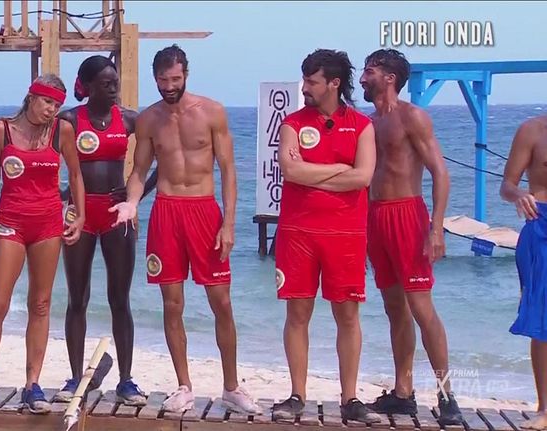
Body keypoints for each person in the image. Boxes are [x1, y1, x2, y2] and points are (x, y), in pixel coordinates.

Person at [110, 44, 260, 415]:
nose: (169, 86)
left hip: (204, 211)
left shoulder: (212, 112)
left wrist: (228, 223)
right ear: (155, 78)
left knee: (221, 302)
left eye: (175, 79)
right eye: (163, 80)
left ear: (186, 75)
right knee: (172, 303)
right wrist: (131, 203)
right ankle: (184, 386)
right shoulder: (149, 119)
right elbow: (139, 171)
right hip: (167, 212)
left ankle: (231, 386)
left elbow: (228, 169)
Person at [0, 75, 85, 414]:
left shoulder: (61, 132)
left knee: (40, 304)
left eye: (57, 105)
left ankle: (32, 384)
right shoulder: (2, 131)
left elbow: (75, 175)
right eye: (47, 102)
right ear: (31, 97)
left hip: (48, 225)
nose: (51, 110)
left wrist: (80, 216)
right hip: (11, 222)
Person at [273, 49, 380, 424]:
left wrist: (314, 172)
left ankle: (350, 398)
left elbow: (363, 177)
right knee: (297, 313)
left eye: (312, 81)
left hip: (346, 233)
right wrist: (338, 168)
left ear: (333, 83)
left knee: (347, 315)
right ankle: (297, 394)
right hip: (298, 231)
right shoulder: (292, 123)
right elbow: (290, 171)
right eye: (305, 80)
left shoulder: (361, 126)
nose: (305, 87)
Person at [358, 49, 463, 425]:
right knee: (394, 308)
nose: (363, 77)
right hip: (376, 216)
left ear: (389, 78)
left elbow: (440, 172)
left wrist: (436, 228)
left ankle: (447, 395)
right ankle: (403, 393)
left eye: (369, 71)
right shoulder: (368, 123)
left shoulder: (411, 116)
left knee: (421, 307)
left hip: (407, 214)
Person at [53, 55, 158, 406]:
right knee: (77, 299)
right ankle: (74, 377)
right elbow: (45, 162)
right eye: (105, 84)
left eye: (115, 83)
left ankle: (126, 381)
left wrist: (135, 196)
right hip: (80, 215)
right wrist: (61, 196)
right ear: (88, 86)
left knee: (120, 300)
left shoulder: (128, 119)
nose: (113, 89)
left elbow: (159, 158)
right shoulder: (69, 120)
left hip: (116, 215)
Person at [500, 114, 547, 430]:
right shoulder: (532, 130)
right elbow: (507, 184)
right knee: (542, 318)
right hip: (540, 225)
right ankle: (545, 408)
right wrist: (519, 196)